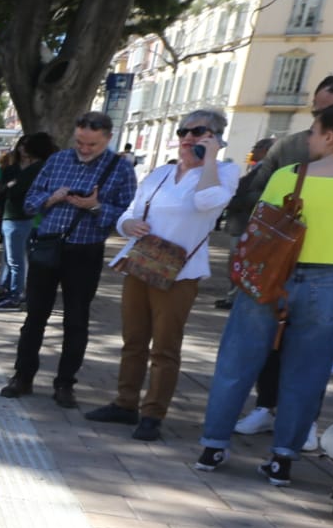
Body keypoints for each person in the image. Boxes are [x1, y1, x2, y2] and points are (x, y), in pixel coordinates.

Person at [196, 95, 333, 486]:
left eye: (315, 132)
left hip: (271, 276)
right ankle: (282, 458)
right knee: (307, 373)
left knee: (237, 362)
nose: (310, 139)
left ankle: (213, 446)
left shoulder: (290, 176)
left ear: (332, 136)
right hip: (329, 281)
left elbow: (260, 224)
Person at [227, 75, 333, 436]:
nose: (320, 120)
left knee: (312, 352)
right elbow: (254, 193)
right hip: (275, 264)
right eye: (318, 109)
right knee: (268, 342)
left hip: (332, 265)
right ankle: (265, 405)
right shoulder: (291, 146)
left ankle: (302, 423)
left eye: (329, 110)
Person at [83, 108, 232, 442]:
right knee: (133, 339)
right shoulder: (160, 174)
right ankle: (125, 402)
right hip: (142, 262)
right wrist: (128, 225)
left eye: (198, 132)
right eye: (184, 132)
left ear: (215, 138)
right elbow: (129, 213)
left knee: (165, 346)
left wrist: (208, 159)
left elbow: (209, 201)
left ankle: (153, 413)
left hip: (181, 272)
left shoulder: (223, 172)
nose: (188, 138)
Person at [0, 110, 138, 407]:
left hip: (86, 250)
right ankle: (22, 376)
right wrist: (53, 198)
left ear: (108, 139)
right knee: (35, 315)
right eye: (80, 143)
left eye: (92, 145)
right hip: (49, 245)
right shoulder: (57, 160)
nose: (85, 150)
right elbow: (30, 202)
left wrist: (96, 206)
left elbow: (126, 216)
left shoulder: (121, 169)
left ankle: (65, 384)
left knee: (76, 320)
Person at [0, 132, 56, 309]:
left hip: (20, 218)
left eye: (27, 145)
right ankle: (6, 289)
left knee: (16, 259)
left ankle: (15, 294)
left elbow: (17, 190)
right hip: (11, 215)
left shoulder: (37, 168)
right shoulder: (21, 169)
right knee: (9, 257)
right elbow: (7, 188)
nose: (23, 149)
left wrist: (11, 186)